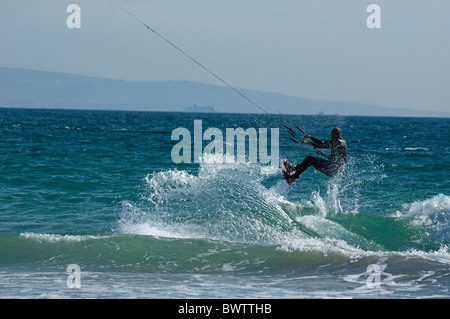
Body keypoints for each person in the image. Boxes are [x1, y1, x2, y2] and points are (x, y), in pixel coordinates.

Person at [282, 127, 347, 184]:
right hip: (334, 170)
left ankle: (293, 178)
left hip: (330, 168)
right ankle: (292, 169)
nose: (331, 136)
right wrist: (341, 169)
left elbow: (321, 144)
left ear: (335, 134)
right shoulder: (342, 142)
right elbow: (343, 159)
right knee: (310, 161)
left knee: (309, 159)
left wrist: (308, 140)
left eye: (332, 134)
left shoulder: (337, 142)